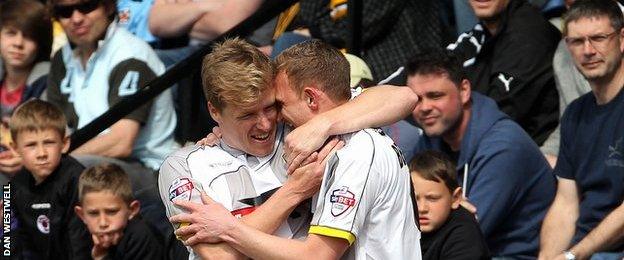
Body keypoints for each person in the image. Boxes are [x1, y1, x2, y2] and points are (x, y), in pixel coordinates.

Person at [159, 38, 419, 259]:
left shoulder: (301, 132)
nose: (265, 123)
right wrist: (294, 191)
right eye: (247, 115)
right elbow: (219, 256)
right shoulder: (181, 166)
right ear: (214, 111)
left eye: (271, 107)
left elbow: (402, 97)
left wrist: (323, 124)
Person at [408, 49, 556, 258]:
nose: (424, 108)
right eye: (416, 99)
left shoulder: (503, 145)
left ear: (464, 90)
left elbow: (467, 232)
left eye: (435, 96)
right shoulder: (431, 138)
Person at [538, 1, 624, 259]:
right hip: (584, 247)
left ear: (622, 40)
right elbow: (566, 204)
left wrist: (574, 255)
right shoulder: (575, 114)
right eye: (577, 41)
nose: (588, 50)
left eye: (598, 38)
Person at [9, 99, 91, 259]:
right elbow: (8, 241)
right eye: (31, 145)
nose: (41, 153)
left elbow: (80, 246)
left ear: (65, 143)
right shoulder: (11, 188)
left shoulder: (78, 181)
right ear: (15, 148)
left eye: (49, 142)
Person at [0, 0, 53, 184]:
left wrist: (25, 160)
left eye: (28, 36)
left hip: (30, 175)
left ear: (40, 44)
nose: (18, 43)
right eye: (11, 33)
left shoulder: (48, 82)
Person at [410, 150, 489, 260]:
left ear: (456, 198)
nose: (422, 208)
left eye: (432, 199)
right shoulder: (404, 224)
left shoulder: (464, 235)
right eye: (414, 199)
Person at [76, 163, 165, 260]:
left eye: (111, 212)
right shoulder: (82, 235)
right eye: (93, 213)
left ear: (132, 209)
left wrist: (102, 257)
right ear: (82, 215)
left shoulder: (141, 236)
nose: (103, 223)